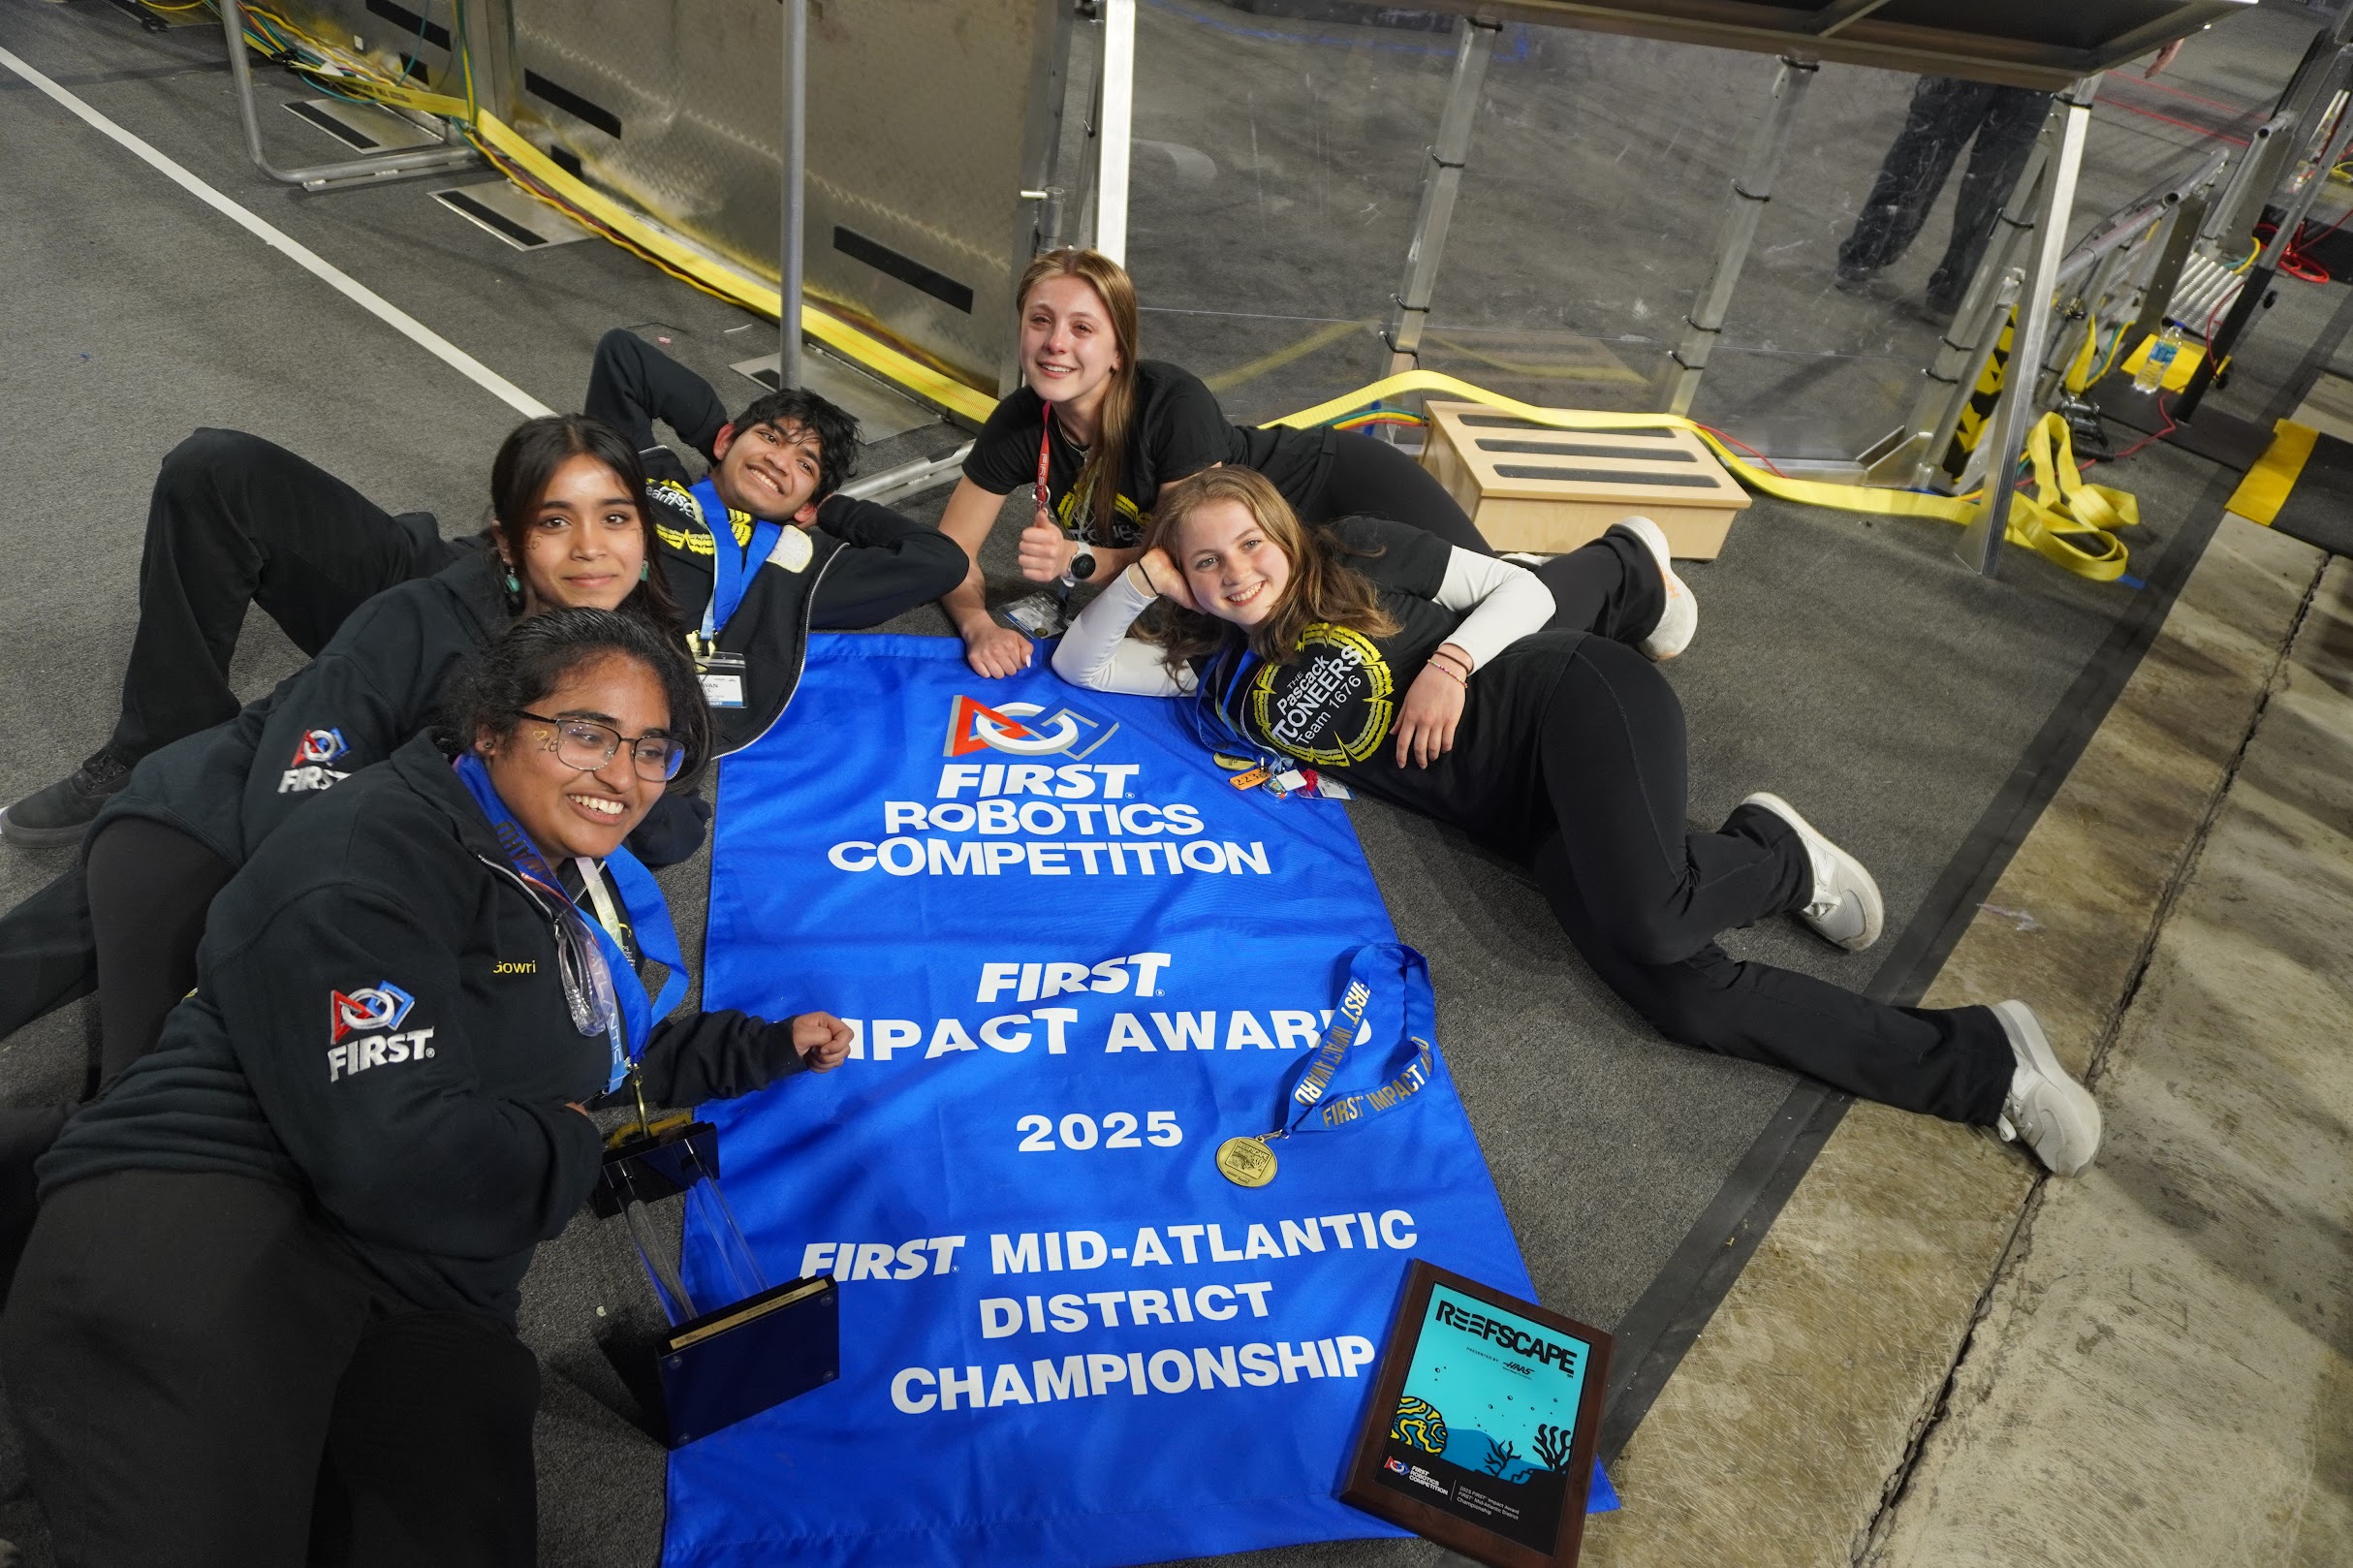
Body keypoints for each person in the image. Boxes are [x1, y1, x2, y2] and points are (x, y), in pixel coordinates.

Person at [1, 609, 856, 1566]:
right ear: (490, 727)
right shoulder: (369, 853)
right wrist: (569, 1142)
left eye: (652, 749)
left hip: (426, 1281)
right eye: (587, 733)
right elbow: (397, 1155)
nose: (623, 775)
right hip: (214, 1219)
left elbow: (577, 1046)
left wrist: (762, 1048)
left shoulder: (552, 872)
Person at [1051, 466, 2102, 1176]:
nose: (1237, 570)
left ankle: (1774, 862)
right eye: (1205, 562)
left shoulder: (1358, 554)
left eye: (1248, 542)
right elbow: (1082, 663)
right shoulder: (1216, 677)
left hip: (1572, 701)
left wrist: (1451, 661)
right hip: (1523, 821)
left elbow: (1522, 593)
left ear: (1282, 532)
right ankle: (1982, 1061)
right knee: (1681, 996)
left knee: (1651, 919)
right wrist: (1143, 573)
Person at [3, 331, 961, 843]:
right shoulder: (647, 472)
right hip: (444, 571)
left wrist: (828, 514)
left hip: (537, 668)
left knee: (324, 786)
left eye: (803, 461)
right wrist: (715, 436)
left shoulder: (798, 570)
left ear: (812, 498)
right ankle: (157, 734)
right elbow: (626, 355)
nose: (781, 457)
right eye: (770, 436)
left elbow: (937, 562)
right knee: (217, 468)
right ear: (729, 439)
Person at [938, 247, 1492, 678]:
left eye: (1082, 328)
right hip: (1260, 568)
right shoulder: (1019, 423)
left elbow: (1186, 560)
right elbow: (949, 551)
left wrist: (1079, 560)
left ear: (1118, 352)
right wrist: (978, 626)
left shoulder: (1171, 402)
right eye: (1040, 320)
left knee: (1500, 603)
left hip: (1336, 487)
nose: (1056, 343)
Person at [1835, 77, 2052, 316]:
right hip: (2038, 65)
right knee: (1979, 164)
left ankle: (1871, 258)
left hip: (2039, 66)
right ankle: (1948, 291)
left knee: (1942, 151)